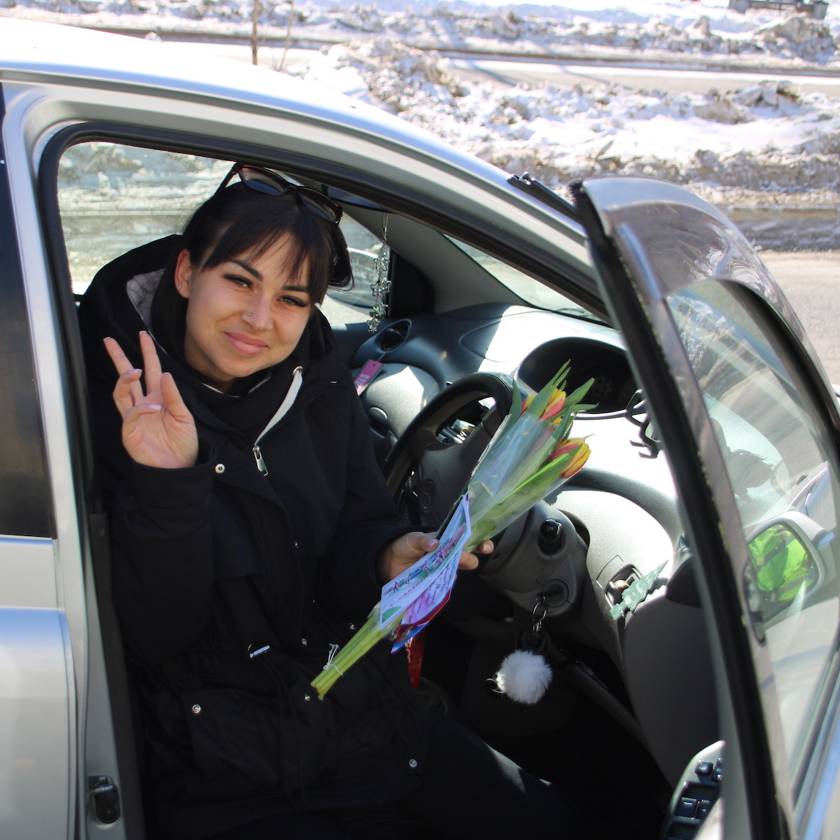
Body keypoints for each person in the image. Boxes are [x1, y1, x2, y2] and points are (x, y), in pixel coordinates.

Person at [79, 163, 580, 839]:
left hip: (360, 715)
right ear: (188, 272)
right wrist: (168, 482)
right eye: (240, 281)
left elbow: (354, 527)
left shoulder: (317, 384)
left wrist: (387, 554)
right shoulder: (110, 404)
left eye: (291, 298)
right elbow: (158, 635)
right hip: (230, 766)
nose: (260, 319)